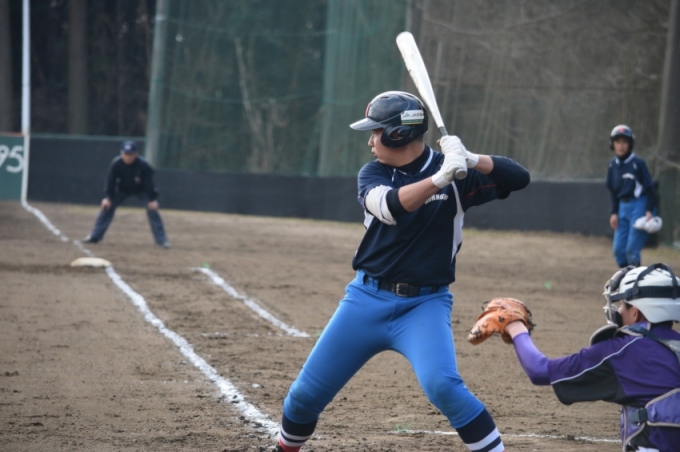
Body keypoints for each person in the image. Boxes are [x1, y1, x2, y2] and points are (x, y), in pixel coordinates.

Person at [272, 91, 530, 452]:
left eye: (376, 132)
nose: (370, 141)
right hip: (366, 300)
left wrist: (473, 159)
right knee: (304, 396)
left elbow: (519, 178)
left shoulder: (456, 171)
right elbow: (391, 206)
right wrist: (440, 178)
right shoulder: (374, 172)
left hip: (425, 305)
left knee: (444, 387)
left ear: (398, 134)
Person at [500, 263, 680, 452]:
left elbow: (539, 370)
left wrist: (516, 327)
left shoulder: (622, 350)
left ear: (636, 313)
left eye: (622, 305)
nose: (618, 311)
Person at [83, 140, 169, 248]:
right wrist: (108, 197)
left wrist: (152, 199)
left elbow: (149, 184)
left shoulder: (144, 165)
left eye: (130, 154)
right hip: (122, 189)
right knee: (107, 207)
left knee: (152, 209)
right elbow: (110, 182)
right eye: (125, 154)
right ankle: (95, 236)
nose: (128, 157)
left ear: (136, 154)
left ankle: (161, 240)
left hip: (141, 190)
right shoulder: (116, 164)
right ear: (121, 153)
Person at [605, 125, 657, 268]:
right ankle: (627, 276)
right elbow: (613, 191)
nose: (621, 146)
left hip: (639, 206)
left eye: (625, 142)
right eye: (617, 142)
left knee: (631, 250)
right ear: (612, 144)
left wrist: (649, 210)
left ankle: (635, 279)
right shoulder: (612, 165)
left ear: (630, 144)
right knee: (618, 251)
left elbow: (650, 189)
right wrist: (614, 212)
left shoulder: (637, 163)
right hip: (622, 207)